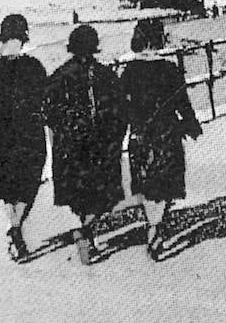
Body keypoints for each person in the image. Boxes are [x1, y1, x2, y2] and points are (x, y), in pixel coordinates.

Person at [44, 25, 127, 265]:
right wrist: (116, 139)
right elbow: (119, 110)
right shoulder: (105, 74)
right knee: (104, 194)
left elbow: (48, 113)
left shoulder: (59, 76)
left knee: (80, 195)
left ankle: (86, 232)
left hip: (70, 148)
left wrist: (57, 141)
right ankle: (86, 232)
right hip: (100, 144)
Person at [120, 19, 201, 259]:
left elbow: (122, 106)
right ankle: (156, 226)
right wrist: (191, 125)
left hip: (140, 134)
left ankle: (151, 223)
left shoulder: (129, 71)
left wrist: (123, 131)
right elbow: (182, 103)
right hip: (166, 132)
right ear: (159, 39)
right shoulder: (170, 69)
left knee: (146, 183)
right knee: (166, 183)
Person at [0, 14, 48, 261]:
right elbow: (45, 97)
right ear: (24, 37)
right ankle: (16, 228)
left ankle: (15, 228)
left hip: (2, 134)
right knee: (29, 184)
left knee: (8, 187)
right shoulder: (34, 66)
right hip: (30, 133)